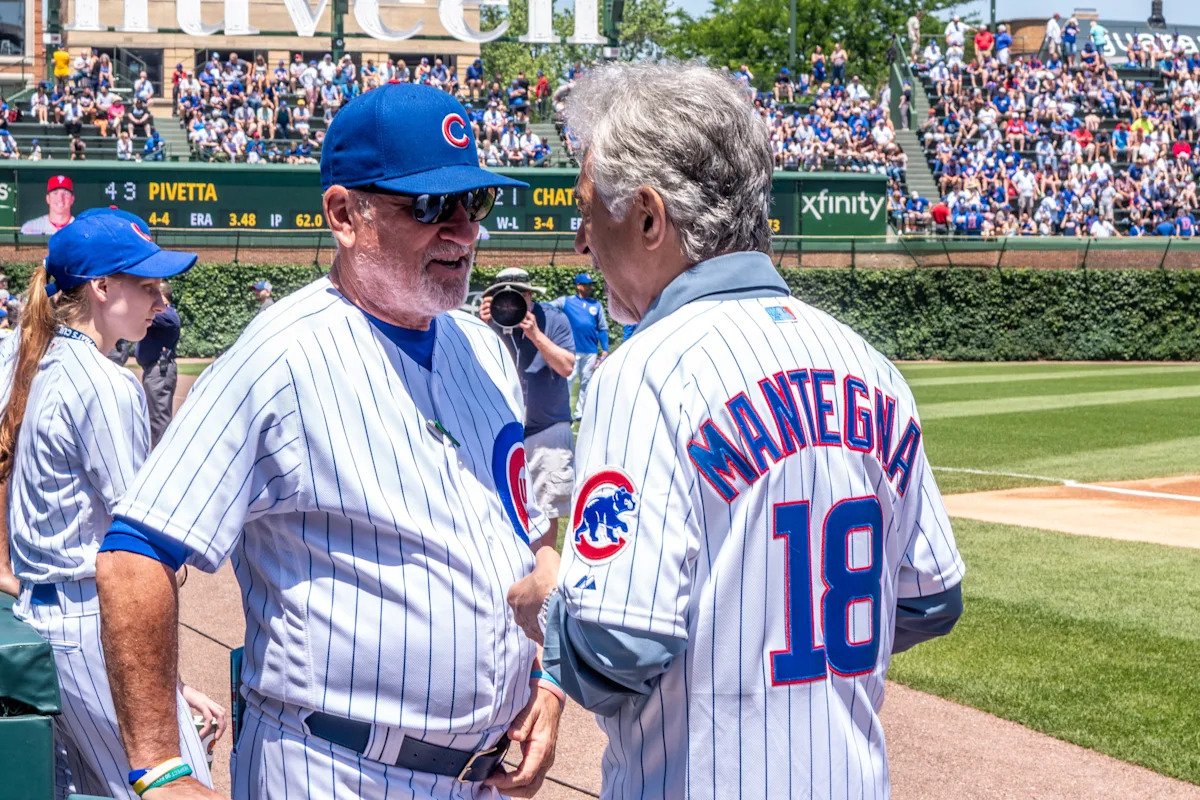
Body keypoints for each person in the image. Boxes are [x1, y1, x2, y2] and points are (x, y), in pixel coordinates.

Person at [506, 62, 965, 799]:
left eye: (589, 212)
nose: (581, 244)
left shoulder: (645, 370)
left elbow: (616, 646)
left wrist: (550, 599)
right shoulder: (867, 363)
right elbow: (930, 599)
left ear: (649, 217)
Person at [94, 82, 562, 800]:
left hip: (484, 777)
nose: (464, 231)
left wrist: (545, 683)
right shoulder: (279, 354)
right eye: (431, 206)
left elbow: (520, 543)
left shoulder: (484, 349)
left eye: (476, 203)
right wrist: (160, 767)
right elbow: (135, 552)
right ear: (344, 215)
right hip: (335, 768)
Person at [0, 208, 226, 798]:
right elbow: (138, 541)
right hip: (93, 624)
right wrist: (164, 683)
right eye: (147, 286)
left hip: (50, 619)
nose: (161, 301)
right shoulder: (106, 383)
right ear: (101, 287)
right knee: (176, 787)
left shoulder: (37, 360)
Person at [480, 267, 576, 541]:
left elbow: (567, 366)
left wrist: (535, 334)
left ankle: (544, 565)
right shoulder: (486, 325)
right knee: (501, 508)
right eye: (504, 296)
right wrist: (480, 327)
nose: (511, 304)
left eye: (520, 296)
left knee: (547, 509)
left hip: (548, 431)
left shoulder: (553, 319)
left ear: (531, 296)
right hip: (503, 432)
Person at [551, 272, 608, 420]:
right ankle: (564, 412)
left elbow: (602, 328)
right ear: (578, 286)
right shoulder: (566, 301)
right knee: (569, 381)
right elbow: (548, 307)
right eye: (587, 285)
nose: (590, 287)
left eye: (591, 285)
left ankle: (580, 413)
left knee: (586, 382)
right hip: (571, 350)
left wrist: (605, 349)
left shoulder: (596, 305)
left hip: (591, 351)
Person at [137, 281, 180, 445]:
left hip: (160, 370)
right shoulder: (163, 314)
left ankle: (162, 456)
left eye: (153, 293)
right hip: (154, 370)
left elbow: (137, 312)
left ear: (162, 297)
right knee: (154, 417)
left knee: (159, 420)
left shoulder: (168, 315)